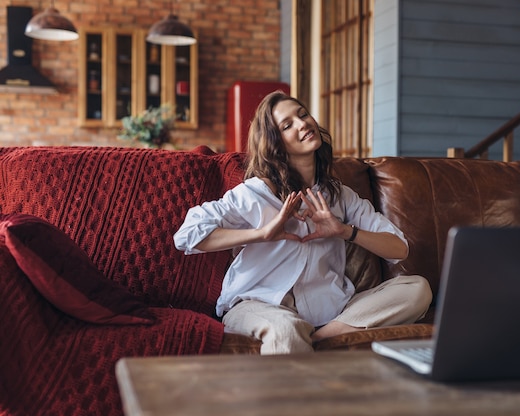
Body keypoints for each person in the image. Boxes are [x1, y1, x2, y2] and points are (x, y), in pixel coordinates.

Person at [173, 91, 432, 354]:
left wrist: (344, 231)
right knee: (286, 330)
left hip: (331, 311)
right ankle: (312, 344)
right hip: (259, 304)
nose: (303, 124)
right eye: (287, 125)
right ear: (276, 144)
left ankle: (320, 339)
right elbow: (186, 235)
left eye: (303, 114)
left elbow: (399, 247)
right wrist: (262, 234)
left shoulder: (340, 196)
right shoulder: (255, 194)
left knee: (417, 289)